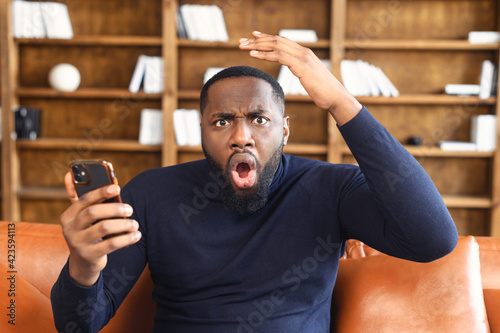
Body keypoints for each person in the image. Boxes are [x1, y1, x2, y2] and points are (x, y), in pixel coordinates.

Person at [51, 31, 458, 332]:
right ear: (202, 133)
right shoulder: (152, 194)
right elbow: (78, 326)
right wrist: (85, 264)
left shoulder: (332, 188)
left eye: (259, 120)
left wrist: (340, 101)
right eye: (222, 121)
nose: (241, 135)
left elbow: (433, 240)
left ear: (284, 131)